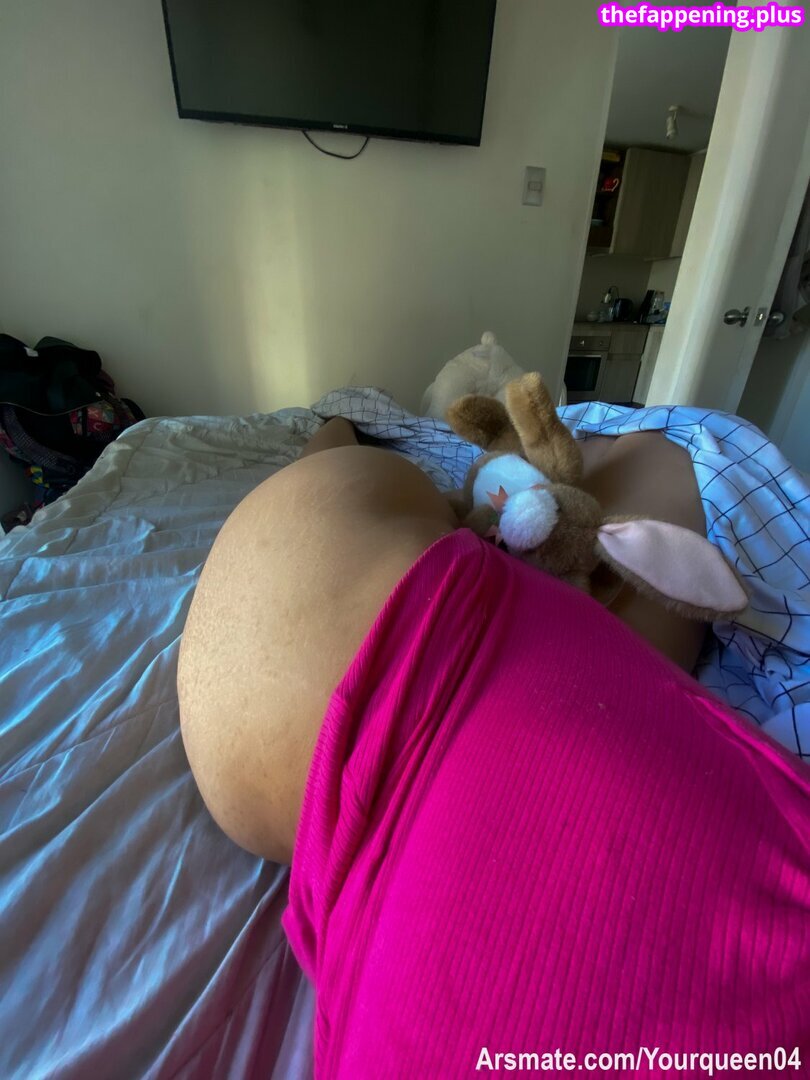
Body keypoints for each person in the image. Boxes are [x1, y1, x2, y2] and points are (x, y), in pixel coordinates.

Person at [177, 419, 809, 1077]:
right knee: (641, 474)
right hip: (294, 766)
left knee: (644, 469)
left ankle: (344, 439)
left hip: (318, 670)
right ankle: (340, 433)